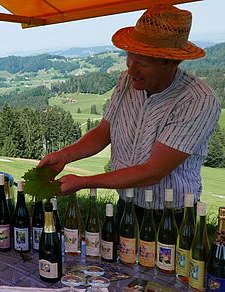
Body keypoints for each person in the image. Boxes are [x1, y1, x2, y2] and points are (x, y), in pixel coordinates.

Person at [38, 5, 221, 225]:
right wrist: (65, 156)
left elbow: (153, 172)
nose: (131, 70)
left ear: (172, 62)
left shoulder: (197, 99)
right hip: (127, 203)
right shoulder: (127, 81)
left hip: (172, 215)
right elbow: (103, 133)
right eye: (129, 58)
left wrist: (84, 182)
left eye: (142, 63)